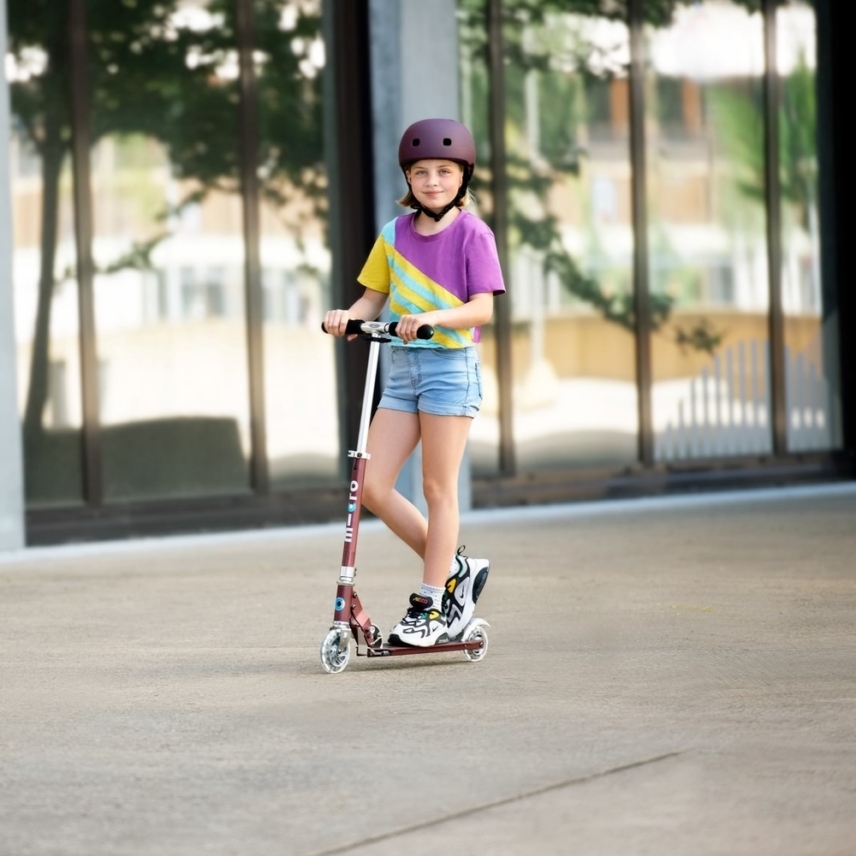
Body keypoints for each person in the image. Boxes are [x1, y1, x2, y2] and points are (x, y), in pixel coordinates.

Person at [323, 118, 506, 647]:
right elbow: (370, 300)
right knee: (374, 487)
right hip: (400, 372)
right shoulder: (393, 234)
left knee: (435, 489)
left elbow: (481, 309)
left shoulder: (474, 233)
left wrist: (432, 317)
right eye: (421, 171)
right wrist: (345, 317)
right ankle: (457, 572)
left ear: (463, 176)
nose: (432, 181)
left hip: (450, 368)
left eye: (444, 171)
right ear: (408, 176)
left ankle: (430, 602)